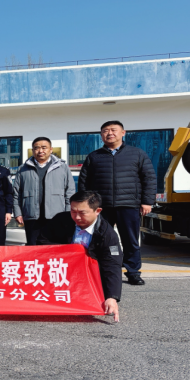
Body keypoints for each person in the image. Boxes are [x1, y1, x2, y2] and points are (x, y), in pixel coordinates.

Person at [78, 120, 156, 286]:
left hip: (128, 205)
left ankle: (133, 272)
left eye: (113, 130)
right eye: (105, 131)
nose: (110, 133)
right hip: (101, 206)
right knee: (100, 239)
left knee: (130, 240)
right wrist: (86, 204)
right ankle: (99, 270)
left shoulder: (137, 154)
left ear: (123, 133)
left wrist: (147, 201)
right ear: (101, 135)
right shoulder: (94, 156)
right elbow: (84, 182)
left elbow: (149, 178)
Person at [37, 191, 121, 322]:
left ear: (97, 211)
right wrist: (69, 253)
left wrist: (112, 297)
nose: (77, 217)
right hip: (60, 270)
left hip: (89, 276)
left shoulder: (107, 234)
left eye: (82, 213)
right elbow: (42, 242)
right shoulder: (61, 220)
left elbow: (112, 265)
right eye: (73, 211)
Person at [13, 137, 75, 246]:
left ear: (51, 149)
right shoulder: (23, 169)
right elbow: (16, 193)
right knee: (33, 247)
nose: (40, 151)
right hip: (31, 216)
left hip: (57, 216)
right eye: (36, 148)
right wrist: (18, 213)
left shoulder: (62, 167)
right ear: (33, 150)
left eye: (44, 147)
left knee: (55, 247)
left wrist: (68, 213)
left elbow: (70, 192)